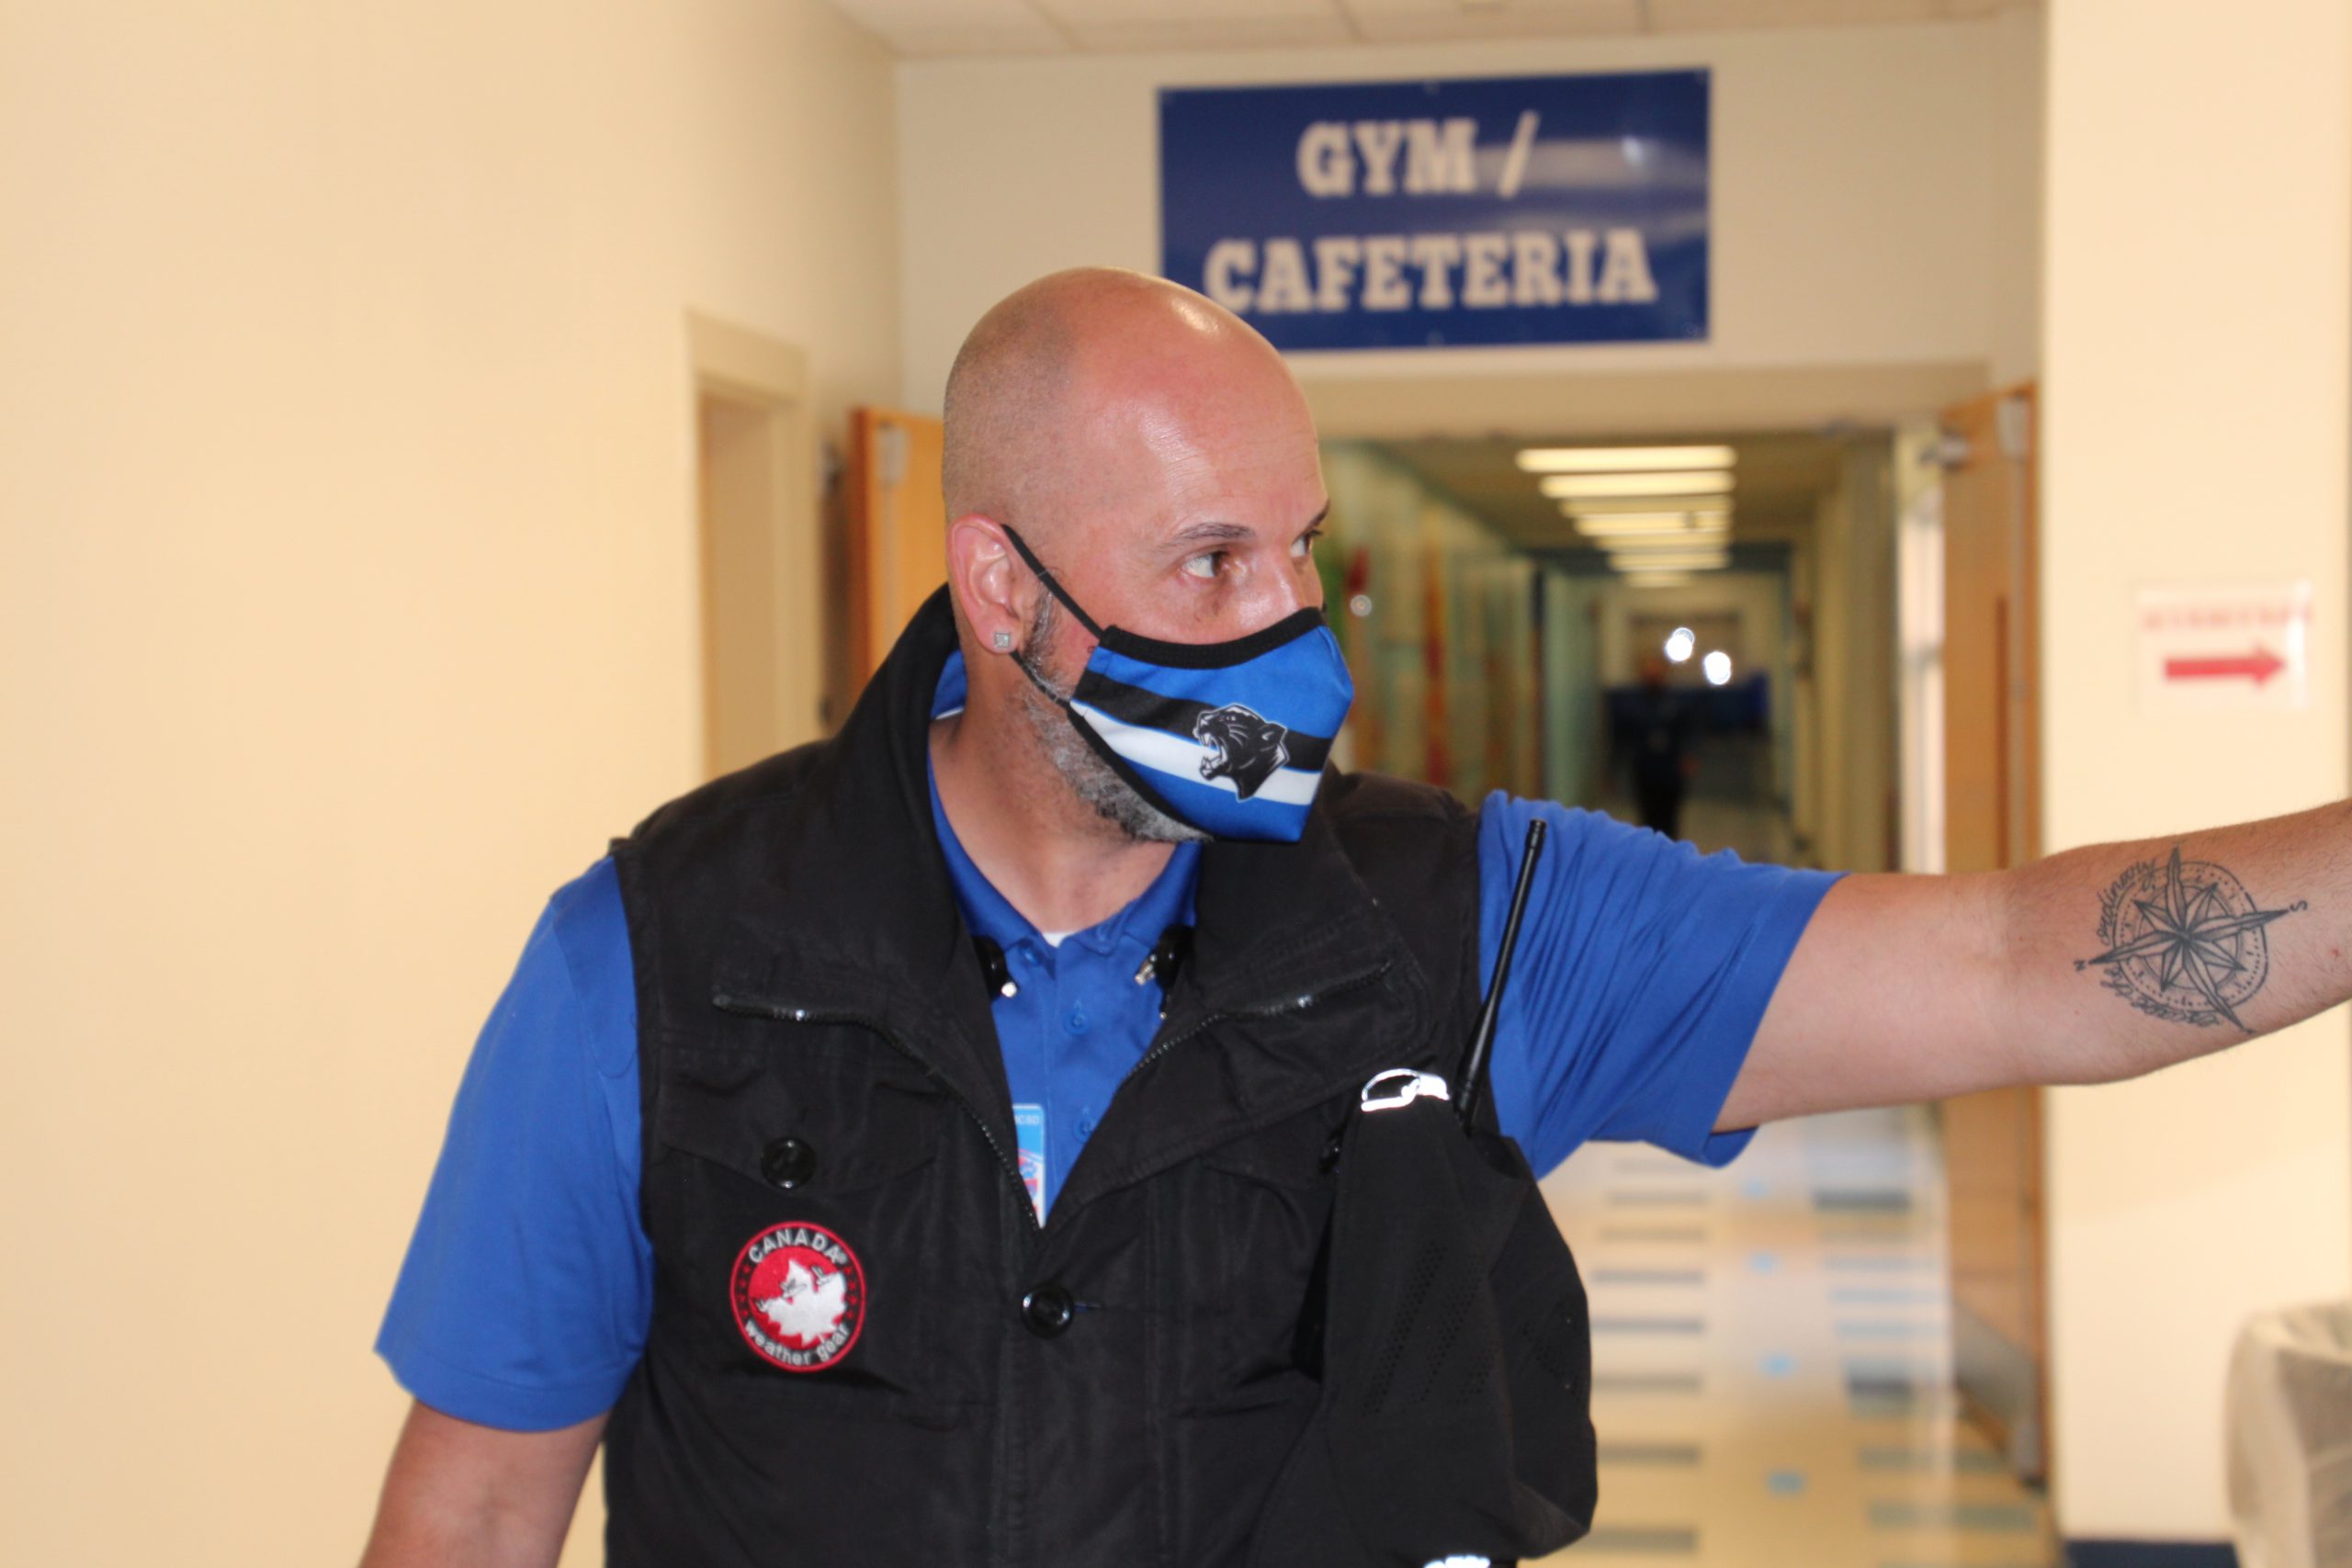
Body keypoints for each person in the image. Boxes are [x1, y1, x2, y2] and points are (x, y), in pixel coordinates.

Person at [358, 267, 2352, 1567]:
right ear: (1000, 584)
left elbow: (2014, 962)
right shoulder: (657, 958)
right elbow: (475, 1497)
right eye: (1208, 562)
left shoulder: (1454, 922)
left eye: (1299, 550)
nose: (1284, 635)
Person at [1617, 650, 1698, 840]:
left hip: (1670, 770)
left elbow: (1689, 733)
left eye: (1656, 671)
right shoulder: (1633, 705)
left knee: (1669, 819)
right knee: (1648, 819)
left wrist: (1689, 756)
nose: (1653, 675)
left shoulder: (1677, 704)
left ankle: (1671, 859)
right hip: (1645, 770)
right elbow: (1623, 738)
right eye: (1649, 671)